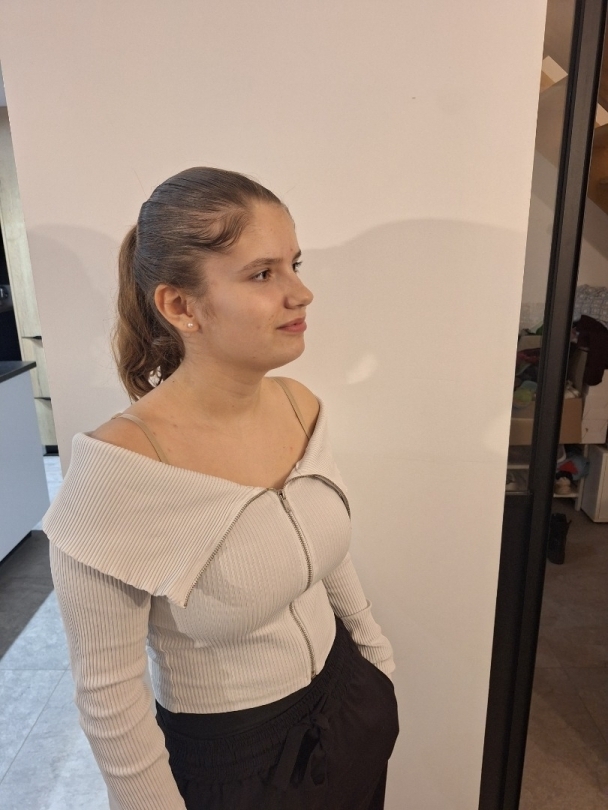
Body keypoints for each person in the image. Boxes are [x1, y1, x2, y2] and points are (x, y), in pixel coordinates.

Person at [44, 167, 399, 810]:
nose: (302, 293)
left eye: (294, 264)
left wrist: (376, 664)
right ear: (180, 306)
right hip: (236, 764)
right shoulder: (116, 474)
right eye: (263, 274)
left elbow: (326, 552)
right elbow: (109, 699)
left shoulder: (298, 405)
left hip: (350, 705)